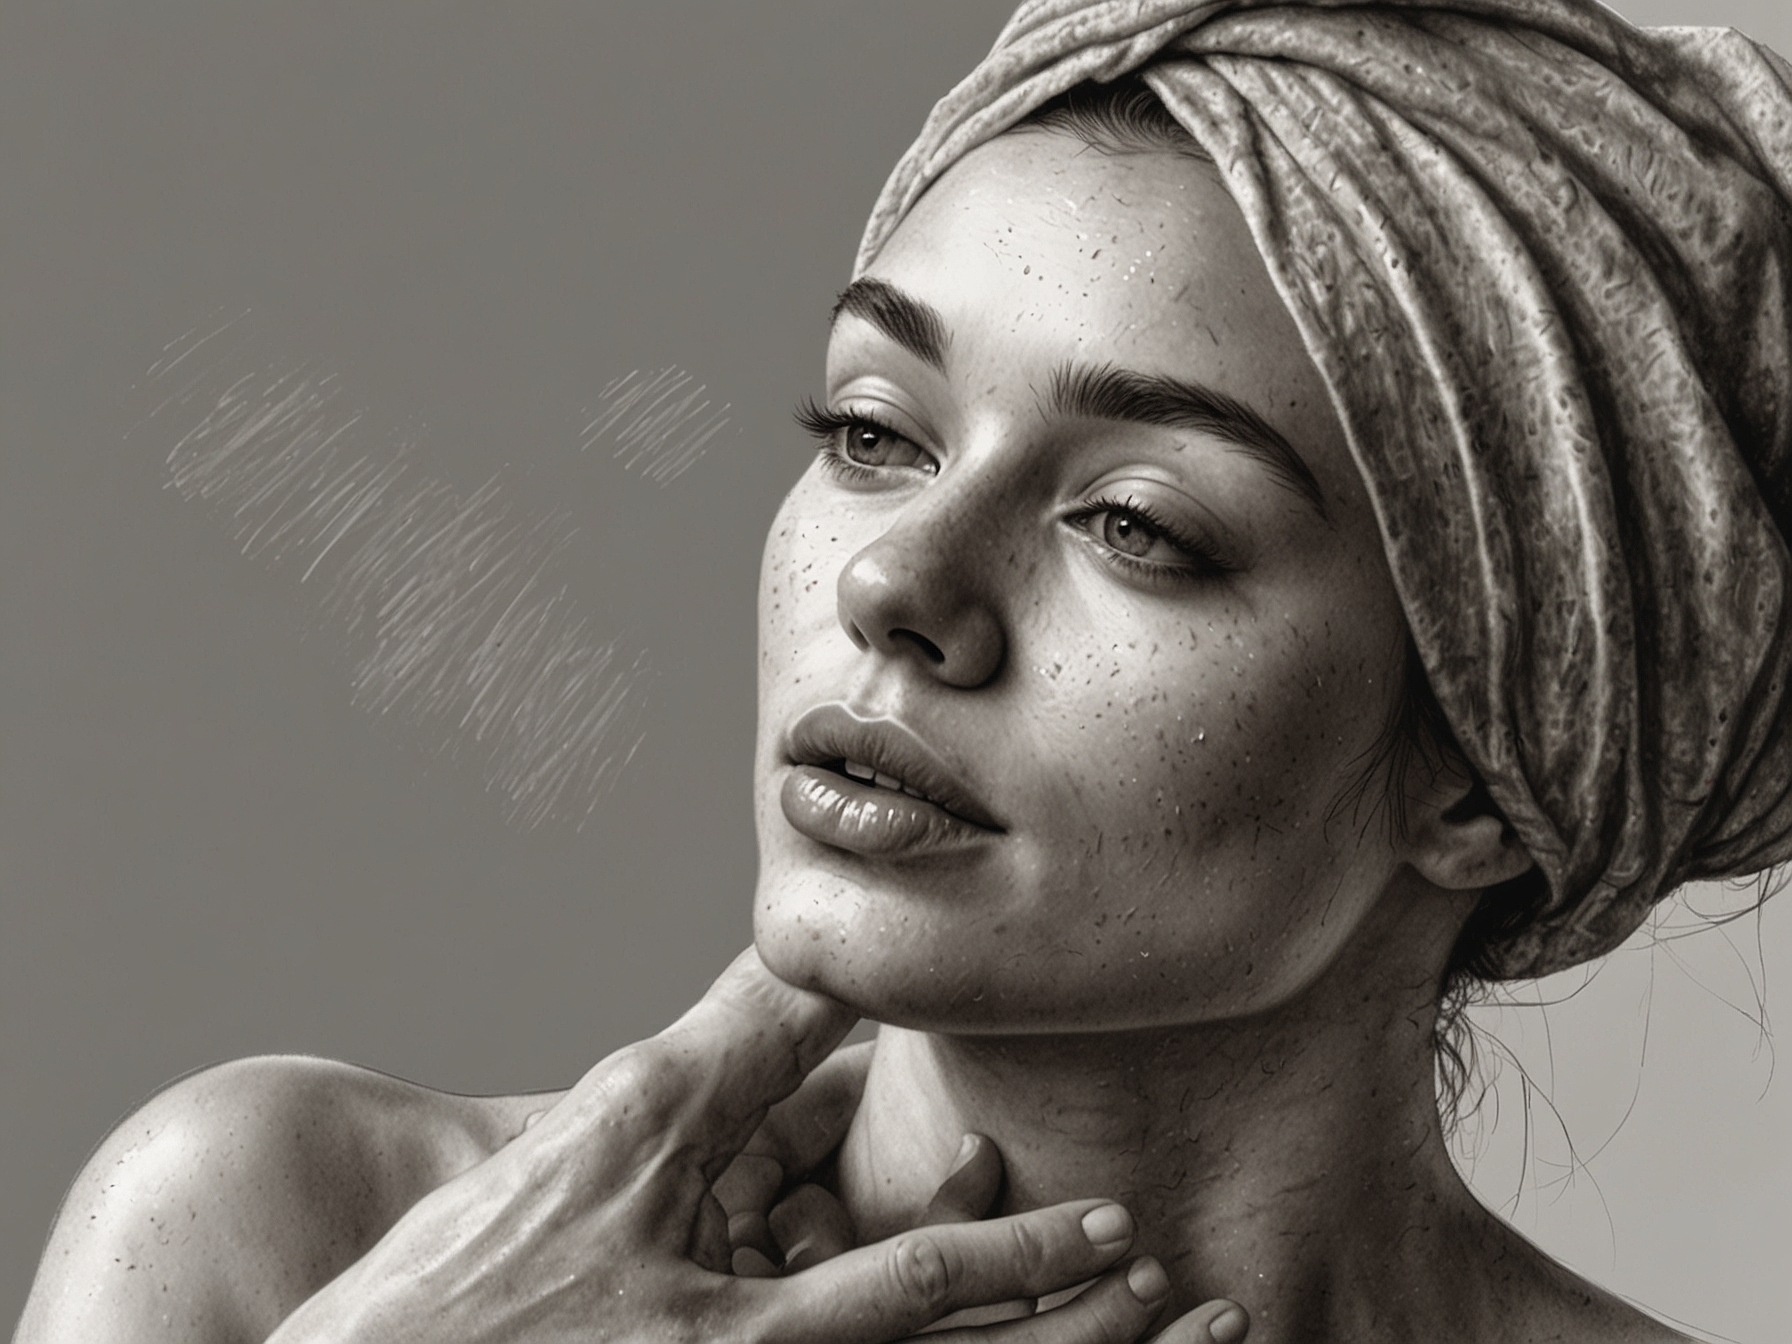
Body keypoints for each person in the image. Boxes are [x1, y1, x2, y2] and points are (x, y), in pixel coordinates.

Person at [18, 0, 1792, 1339]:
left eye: (1140, 526)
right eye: (874, 430)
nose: (897, 581)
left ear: (1490, 772)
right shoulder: (287, 1235)